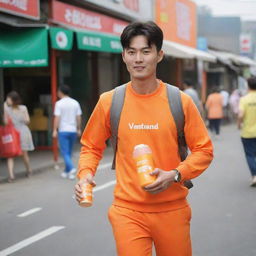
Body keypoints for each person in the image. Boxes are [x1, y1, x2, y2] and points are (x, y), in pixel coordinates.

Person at [75, 21, 213, 256]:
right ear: (124, 56)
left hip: (173, 210)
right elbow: (91, 146)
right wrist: (85, 175)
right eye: (132, 52)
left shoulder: (179, 101)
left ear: (159, 55)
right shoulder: (110, 101)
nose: (138, 58)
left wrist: (176, 174)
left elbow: (203, 150)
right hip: (127, 211)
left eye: (145, 51)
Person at [53, 85, 82, 180]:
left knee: (64, 152)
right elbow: (78, 117)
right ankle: (67, 171)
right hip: (73, 130)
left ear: (61, 92)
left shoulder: (59, 104)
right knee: (69, 152)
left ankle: (72, 168)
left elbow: (57, 117)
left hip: (63, 130)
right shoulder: (75, 103)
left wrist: (54, 130)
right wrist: (78, 128)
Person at [4, 91, 34, 182]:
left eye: (8, 99)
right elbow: (27, 121)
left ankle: (14, 175)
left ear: (13, 100)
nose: (7, 101)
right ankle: (26, 171)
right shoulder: (20, 108)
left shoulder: (16, 108)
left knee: (15, 155)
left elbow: (5, 122)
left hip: (16, 133)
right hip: (19, 132)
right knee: (18, 154)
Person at [238, 76, 256, 187]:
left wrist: (238, 124)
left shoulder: (244, 99)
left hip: (247, 133)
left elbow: (240, 114)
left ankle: (254, 176)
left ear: (248, 85)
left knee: (250, 155)